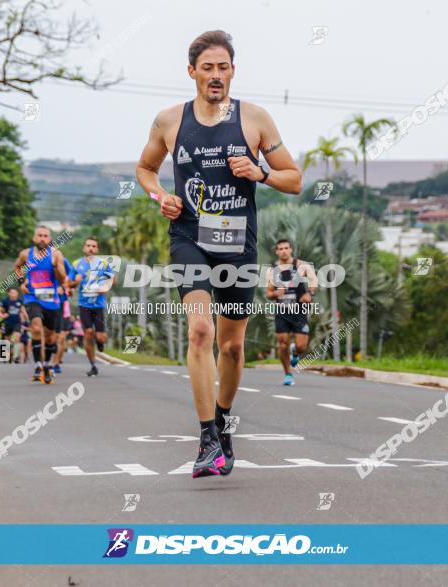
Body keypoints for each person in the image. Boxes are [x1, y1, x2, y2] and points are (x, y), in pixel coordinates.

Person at [136, 30, 302, 477]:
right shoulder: (169, 121)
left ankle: (224, 421)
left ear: (232, 71)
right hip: (189, 238)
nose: (215, 75)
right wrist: (159, 198)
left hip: (237, 246)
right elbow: (145, 169)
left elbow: (295, 178)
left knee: (231, 347)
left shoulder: (255, 119)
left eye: (223, 67)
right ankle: (208, 437)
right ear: (191, 72)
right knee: (201, 333)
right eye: (207, 67)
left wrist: (260, 171)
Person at [13, 225, 70, 384]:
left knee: (51, 336)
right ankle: (38, 365)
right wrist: (22, 282)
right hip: (33, 297)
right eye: (40, 235)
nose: (43, 238)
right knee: (36, 328)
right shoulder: (26, 254)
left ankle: (46, 365)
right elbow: (17, 267)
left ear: (50, 239)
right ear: (34, 238)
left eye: (46, 236)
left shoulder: (56, 254)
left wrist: (54, 266)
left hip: (51, 299)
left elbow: (63, 278)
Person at [265, 238, 318, 385]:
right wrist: (275, 294)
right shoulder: (272, 270)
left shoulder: (301, 265)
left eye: (286, 248)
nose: (283, 251)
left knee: (302, 346)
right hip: (282, 312)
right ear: (277, 252)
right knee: (282, 344)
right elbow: (269, 293)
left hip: (299, 311)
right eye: (280, 249)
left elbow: (314, 281)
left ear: (291, 249)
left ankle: (295, 352)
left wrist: (309, 294)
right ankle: (288, 374)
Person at [73, 237, 116, 377]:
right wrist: (74, 282)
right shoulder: (76, 264)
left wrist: (105, 287)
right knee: (88, 333)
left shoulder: (103, 264)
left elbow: (113, 279)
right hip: (83, 305)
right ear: (84, 248)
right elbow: (68, 281)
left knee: (100, 336)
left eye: (93, 246)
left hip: (98, 305)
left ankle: (100, 341)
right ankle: (93, 365)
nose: (90, 248)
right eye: (88, 245)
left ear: (97, 249)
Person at [0, 288, 26, 363]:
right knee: (7, 341)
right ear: (9, 293)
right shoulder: (5, 301)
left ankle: (16, 357)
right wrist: (2, 315)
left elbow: (23, 311)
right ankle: (8, 355)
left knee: (17, 338)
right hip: (7, 323)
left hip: (17, 323)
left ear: (17, 294)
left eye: (15, 293)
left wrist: (26, 319)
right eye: (12, 292)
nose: (13, 294)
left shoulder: (19, 301)